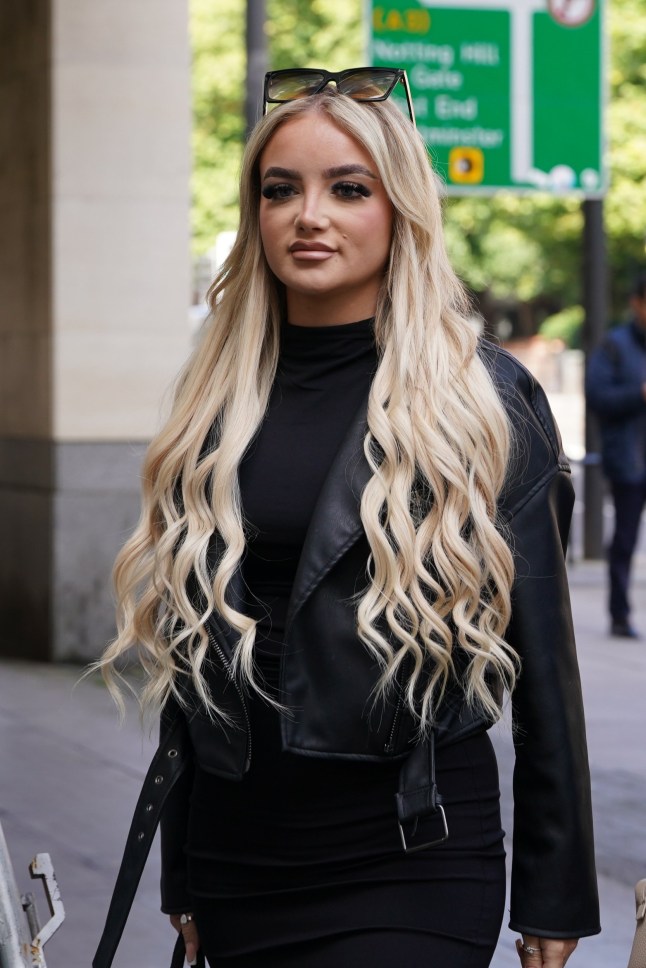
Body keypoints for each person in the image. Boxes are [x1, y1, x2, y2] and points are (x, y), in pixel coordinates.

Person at [94, 68, 599, 968]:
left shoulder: (480, 399)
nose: (308, 215)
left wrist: (556, 891)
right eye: (279, 189)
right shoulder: (218, 394)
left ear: (399, 209)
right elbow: (196, 657)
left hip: (413, 852)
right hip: (241, 853)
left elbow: (546, 672)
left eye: (347, 188)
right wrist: (182, 867)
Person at [586, 273, 646, 639]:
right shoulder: (614, 346)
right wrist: (638, 393)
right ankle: (620, 614)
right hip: (629, 461)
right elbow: (598, 398)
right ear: (637, 303)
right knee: (625, 540)